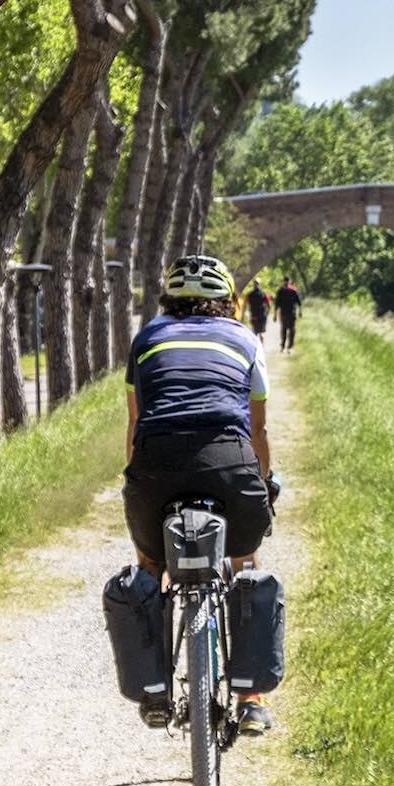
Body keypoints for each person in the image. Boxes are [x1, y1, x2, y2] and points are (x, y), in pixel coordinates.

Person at [124, 254, 280, 735]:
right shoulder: (245, 339)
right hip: (228, 464)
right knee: (243, 560)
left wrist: (134, 480)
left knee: (150, 566)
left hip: (157, 466)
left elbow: (135, 424)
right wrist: (264, 485)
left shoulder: (147, 338)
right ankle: (250, 697)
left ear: (168, 301)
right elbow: (258, 429)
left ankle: (154, 690)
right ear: (229, 302)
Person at [273, 276, 302, 352]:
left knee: (284, 329)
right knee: (290, 330)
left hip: (284, 313)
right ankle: (288, 346)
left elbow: (276, 304)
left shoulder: (281, 291)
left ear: (284, 281)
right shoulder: (293, 290)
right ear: (289, 281)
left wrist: (275, 315)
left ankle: (284, 346)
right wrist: (300, 312)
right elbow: (299, 302)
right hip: (291, 313)